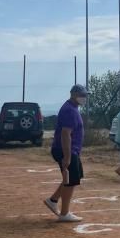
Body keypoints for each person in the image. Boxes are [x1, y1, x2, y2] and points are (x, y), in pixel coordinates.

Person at [44, 84, 88, 222]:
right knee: (71, 181)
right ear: (74, 95)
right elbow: (65, 134)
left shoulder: (72, 108)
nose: (85, 98)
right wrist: (68, 157)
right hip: (66, 150)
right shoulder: (70, 110)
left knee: (72, 179)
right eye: (83, 95)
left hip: (71, 150)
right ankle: (64, 213)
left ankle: (53, 200)